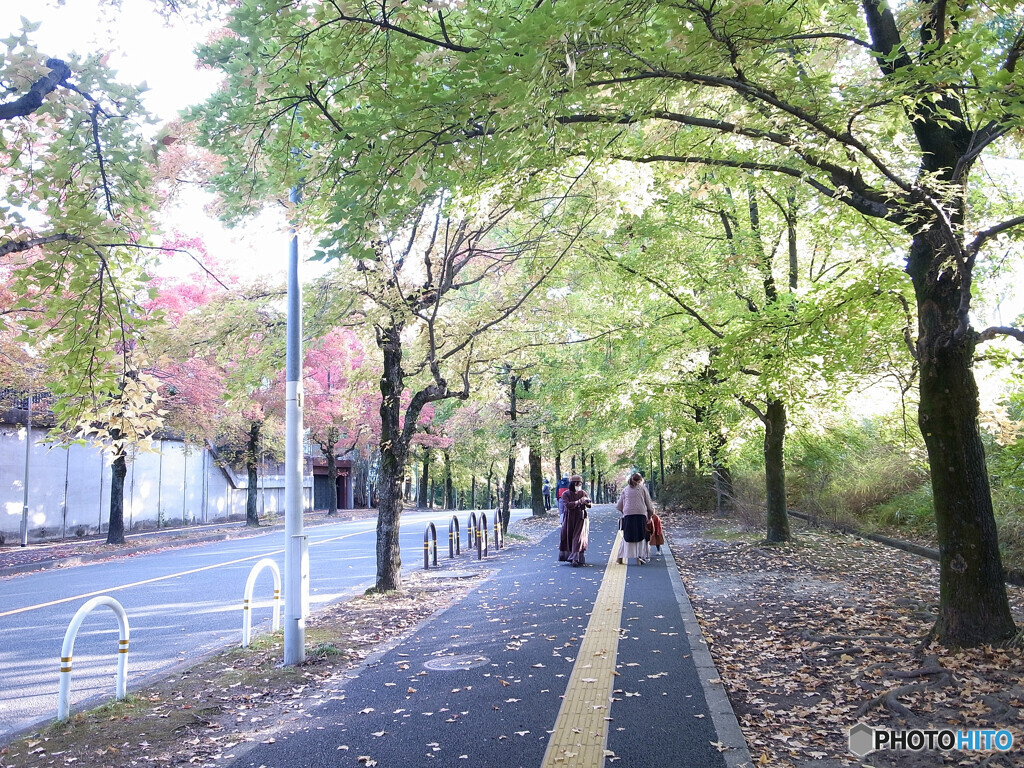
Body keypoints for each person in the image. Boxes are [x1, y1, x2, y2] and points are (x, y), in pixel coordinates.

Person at [616, 472, 655, 565]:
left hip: (628, 514)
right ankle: (639, 557)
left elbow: (619, 506)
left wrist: (625, 513)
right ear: (641, 480)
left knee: (627, 537)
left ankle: (620, 557)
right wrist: (650, 515)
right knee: (640, 536)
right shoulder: (643, 488)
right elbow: (649, 504)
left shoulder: (625, 489)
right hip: (640, 514)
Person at [558, 474, 592, 567]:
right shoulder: (566, 494)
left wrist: (587, 501)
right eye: (577, 484)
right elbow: (567, 505)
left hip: (581, 517)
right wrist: (578, 502)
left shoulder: (583, 493)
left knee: (578, 538)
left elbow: (589, 504)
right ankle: (571, 557)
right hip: (569, 518)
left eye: (580, 484)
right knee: (569, 537)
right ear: (573, 484)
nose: (579, 486)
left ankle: (576, 558)